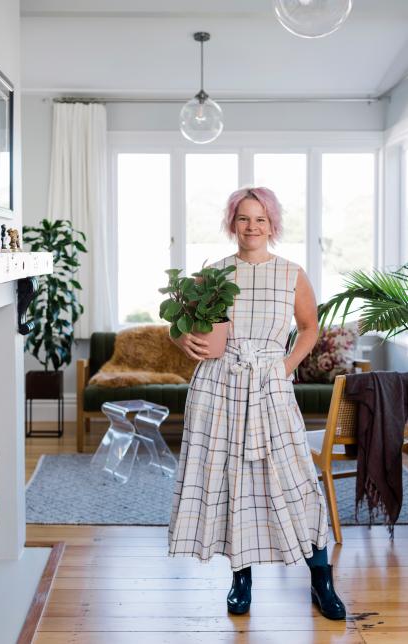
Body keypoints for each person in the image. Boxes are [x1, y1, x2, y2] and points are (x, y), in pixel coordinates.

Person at [167, 186, 346, 621]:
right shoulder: (213, 274)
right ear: (233, 223)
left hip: (270, 384)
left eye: (260, 219)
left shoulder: (291, 273)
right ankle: (240, 579)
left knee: (295, 479)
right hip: (218, 386)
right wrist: (183, 339)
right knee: (232, 482)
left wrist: (286, 366)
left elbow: (309, 328)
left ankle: (321, 578)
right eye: (244, 218)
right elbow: (182, 325)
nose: (252, 227)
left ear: (273, 225)